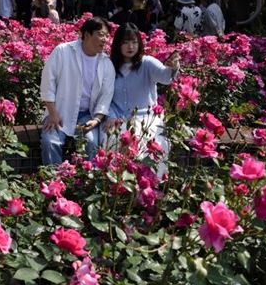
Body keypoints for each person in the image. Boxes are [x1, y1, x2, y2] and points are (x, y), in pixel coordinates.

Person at [102, 23, 179, 172]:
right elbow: (106, 96)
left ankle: (149, 183)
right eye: (125, 42)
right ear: (118, 45)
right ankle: (116, 186)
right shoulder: (110, 66)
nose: (130, 46)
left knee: (142, 140)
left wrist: (173, 67)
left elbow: (165, 76)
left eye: (134, 42)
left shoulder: (147, 63)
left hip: (146, 117)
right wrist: (111, 116)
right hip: (118, 117)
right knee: (109, 139)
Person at [40, 17, 115, 165]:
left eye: (107, 35)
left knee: (92, 144)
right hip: (59, 112)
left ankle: (86, 184)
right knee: (51, 142)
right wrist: (53, 113)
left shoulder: (106, 63)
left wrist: (97, 119)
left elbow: (106, 96)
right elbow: (47, 83)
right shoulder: (63, 51)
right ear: (87, 35)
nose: (105, 39)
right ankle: (52, 182)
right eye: (101, 34)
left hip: (88, 116)